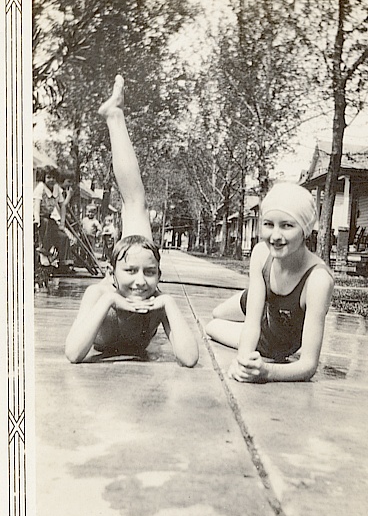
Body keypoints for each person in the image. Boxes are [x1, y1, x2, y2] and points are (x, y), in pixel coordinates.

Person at [65, 75, 199, 368]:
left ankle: (115, 115)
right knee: (135, 203)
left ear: (159, 276)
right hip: (112, 286)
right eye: (130, 272)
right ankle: (114, 115)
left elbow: (189, 358)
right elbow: (74, 353)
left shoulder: (155, 297)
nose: (141, 281)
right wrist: (109, 301)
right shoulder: (99, 293)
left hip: (129, 264)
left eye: (151, 273)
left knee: (137, 207)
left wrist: (169, 303)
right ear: (112, 275)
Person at [205, 181, 334, 382]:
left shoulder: (317, 281)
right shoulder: (261, 253)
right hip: (260, 301)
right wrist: (242, 361)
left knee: (212, 326)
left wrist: (265, 371)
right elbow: (251, 324)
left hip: (274, 338)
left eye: (287, 225)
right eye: (268, 224)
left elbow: (308, 365)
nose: (275, 236)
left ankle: (264, 300)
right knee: (217, 312)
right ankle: (261, 297)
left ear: (305, 230)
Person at [33, 167, 74, 272]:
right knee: (45, 224)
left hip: (49, 217)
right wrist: (36, 219)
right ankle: (44, 254)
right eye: (48, 177)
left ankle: (63, 263)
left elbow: (62, 206)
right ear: (44, 178)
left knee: (63, 236)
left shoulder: (56, 189)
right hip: (38, 216)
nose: (51, 180)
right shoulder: (41, 188)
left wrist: (62, 223)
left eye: (53, 177)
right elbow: (36, 205)